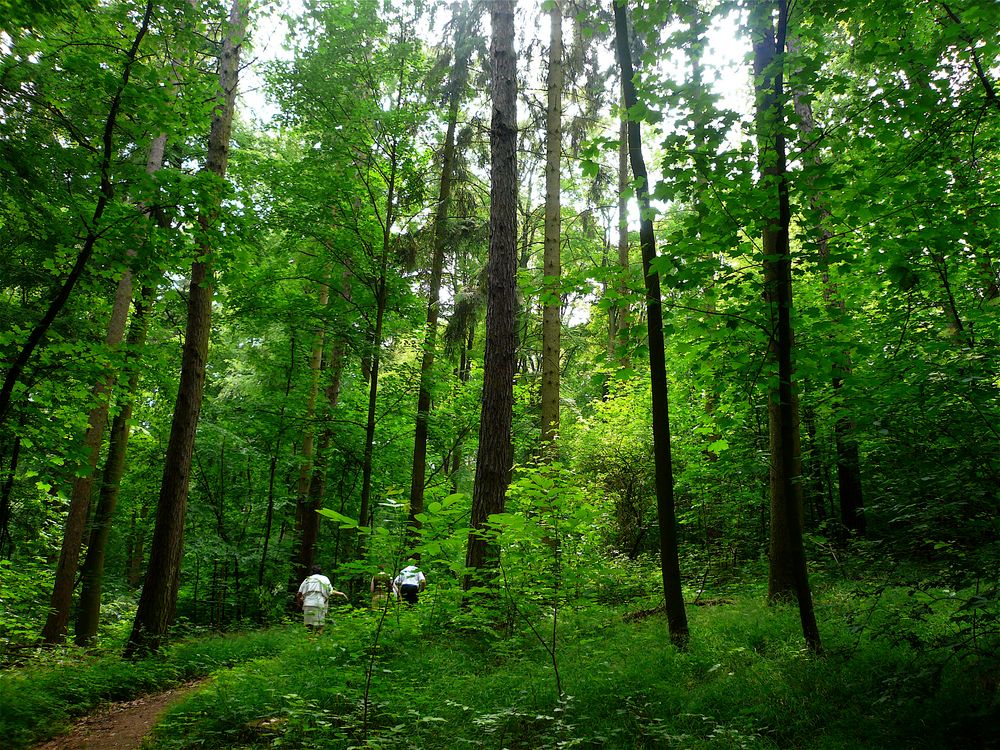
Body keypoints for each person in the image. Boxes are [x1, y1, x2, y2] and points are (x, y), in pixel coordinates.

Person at [296, 565, 347, 634]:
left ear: (312, 572)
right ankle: (317, 640)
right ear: (321, 572)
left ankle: (309, 641)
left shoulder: (307, 579)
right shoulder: (325, 579)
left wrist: (298, 603)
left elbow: (299, 593)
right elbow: (330, 591)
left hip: (307, 603)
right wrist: (341, 593)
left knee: (308, 625)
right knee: (320, 626)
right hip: (319, 603)